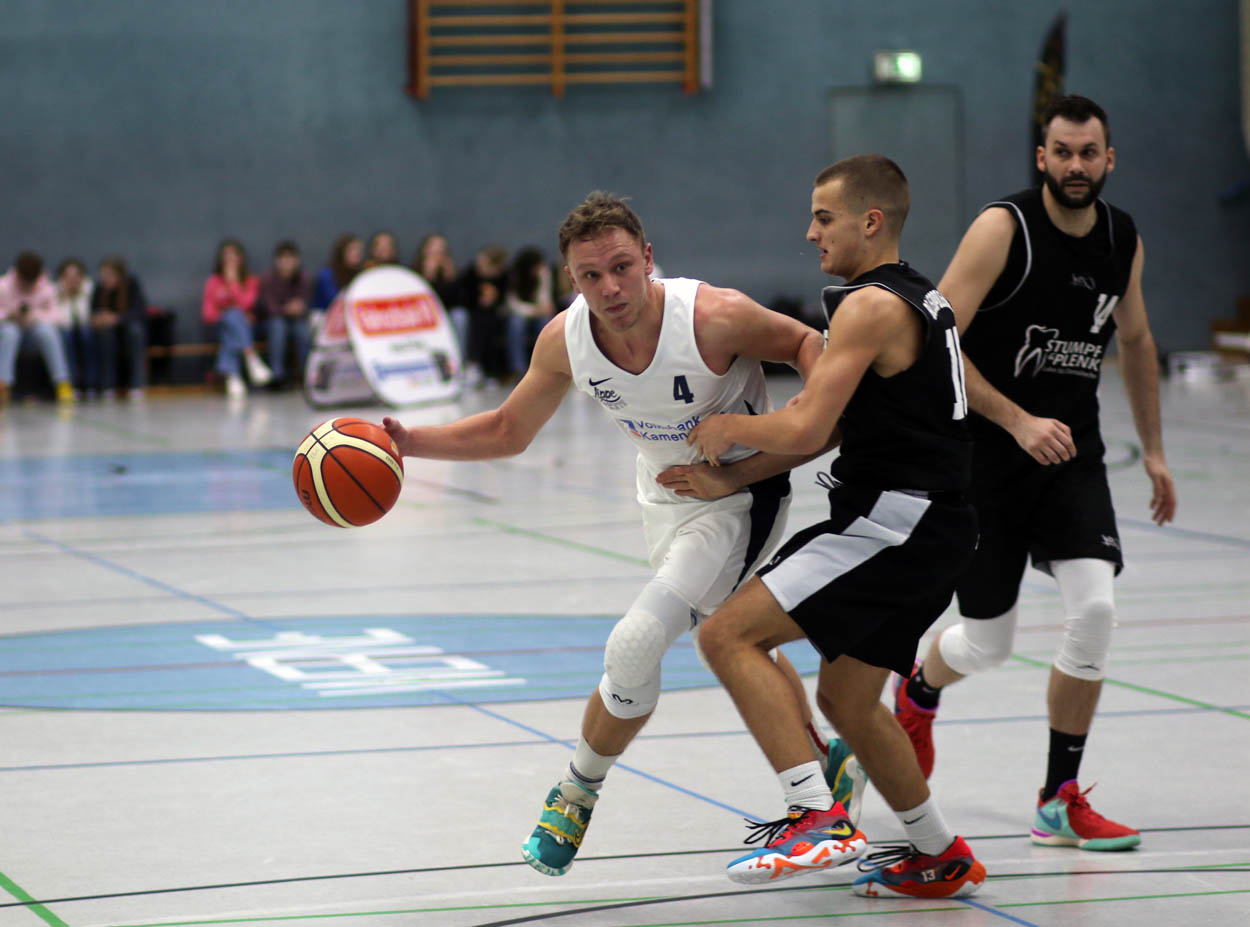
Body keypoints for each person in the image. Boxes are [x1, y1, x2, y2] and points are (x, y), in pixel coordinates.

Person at [382, 191, 865, 879]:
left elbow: (804, 343)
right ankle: (827, 758)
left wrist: (792, 433)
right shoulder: (567, 340)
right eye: (589, 275)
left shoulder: (712, 316)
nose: (609, 288)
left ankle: (579, 793)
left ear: (647, 258)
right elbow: (506, 430)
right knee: (719, 629)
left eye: (620, 268)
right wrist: (408, 445)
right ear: (569, 279)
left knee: (639, 639)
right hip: (664, 496)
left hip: (738, 496)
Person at [686, 155, 985, 898]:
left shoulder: (870, 307)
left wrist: (727, 427)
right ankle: (941, 852)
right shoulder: (918, 298)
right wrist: (733, 475)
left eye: (823, 217)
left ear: (869, 221)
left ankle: (815, 815)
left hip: (896, 520)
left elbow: (807, 422)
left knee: (726, 634)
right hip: (934, 525)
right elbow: (830, 433)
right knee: (846, 700)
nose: (810, 231)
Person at [892, 94, 1177, 852]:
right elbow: (936, 338)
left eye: (1090, 152)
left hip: (1072, 457)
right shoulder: (1002, 228)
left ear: (1108, 159)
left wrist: (1152, 449)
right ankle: (917, 696)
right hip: (988, 456)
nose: (1076, 165)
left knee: (1096, 612)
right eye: (1063, 151)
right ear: (1042, 157)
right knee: (987, 643)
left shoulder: (1122, 238)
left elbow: (1139, 341)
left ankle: (1059, 796)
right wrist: (1015, 419)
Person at [0, 251, 75, 404]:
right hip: (11, 334)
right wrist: (8, 315)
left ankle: (62, 382)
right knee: (10, 332)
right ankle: (3, 383)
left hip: (34, 336)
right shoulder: (3, 286)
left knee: (46, 331)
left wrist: (34, 315)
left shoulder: (47, 288)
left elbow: (57, 317)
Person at [202, 238, 271, 399]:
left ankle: (233, 377)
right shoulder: (213, 282)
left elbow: (248, 303)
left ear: (241, 258)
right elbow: (208, 315)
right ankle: (251, 356)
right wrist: (229, 315)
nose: (230, 260)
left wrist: (233, 284)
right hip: (217, 328)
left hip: (247, 328)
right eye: (226, 255)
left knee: (232, 326)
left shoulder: (251, 281)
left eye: (234, 255)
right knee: (232, 317)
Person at [258, 240, 314, 388]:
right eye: (283, 258)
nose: (287, 262)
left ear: (297, 261)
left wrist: (300, 308)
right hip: (271, 321)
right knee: (278, 327)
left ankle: (306, 374)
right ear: (277, 261)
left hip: (297, 320)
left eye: (291, 258)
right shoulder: (267, 279)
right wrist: (286, 309)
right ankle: (277, 376)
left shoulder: (304, 279)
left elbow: (306, 304)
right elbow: (268, 308)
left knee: (303, 330)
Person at [90, 257, 148, 399]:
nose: (105, 278)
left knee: (136, 331)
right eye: (103, 274)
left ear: (119, 275)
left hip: (127, 328)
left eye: (109, 274)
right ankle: (107, 385)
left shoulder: (131, 284)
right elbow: (93, 312)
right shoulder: (99, 288)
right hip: (108, 332)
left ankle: (137, 384)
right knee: (105, 336)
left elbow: (139, 311)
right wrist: (99, 319)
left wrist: (117, 319)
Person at [454, 244, 510, 383]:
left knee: (489, 322)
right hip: (473, 314)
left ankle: (488, 369)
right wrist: (478, 299)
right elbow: (460, 297)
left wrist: (493, 299)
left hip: (493, 316)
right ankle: (470, 364)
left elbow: (504, 301)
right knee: (476, 321)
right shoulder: (470, 274)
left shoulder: (502, 278)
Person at [504, 246, 556, 376]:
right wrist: (534, 311)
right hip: (519, 313)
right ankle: (518, 368)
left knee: (546, 323)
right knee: (516, 323)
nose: (539, 269)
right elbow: (513, 304)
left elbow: (544, 298)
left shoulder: (543, 273)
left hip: (538, 313)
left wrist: (542, 308)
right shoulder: (513, 275)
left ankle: (549, 365)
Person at [55, 258, 94, 394]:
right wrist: (65, 295)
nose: (73, 280)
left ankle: (90, 383)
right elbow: (61, 319)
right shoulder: (55, 291)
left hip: (87, 329)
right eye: (68, 277)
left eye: (76, 276)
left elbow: (86, 317)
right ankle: (72, 383)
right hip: (66, 330)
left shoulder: (89, 289)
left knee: (86, 336)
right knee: (66, 337)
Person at [314, 234, 364, 310]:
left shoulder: (362, 274)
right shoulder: (328, 274)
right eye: (352, 249)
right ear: (342, 252)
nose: (357, 253)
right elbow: (333, 299)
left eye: (359, 250)